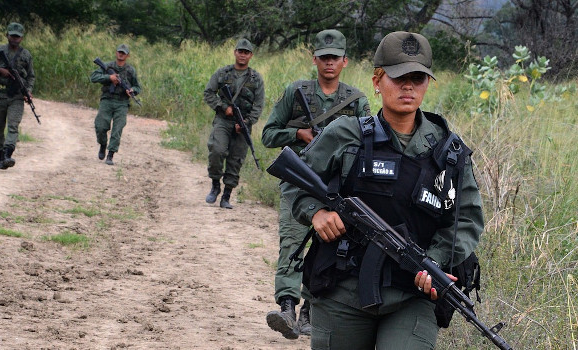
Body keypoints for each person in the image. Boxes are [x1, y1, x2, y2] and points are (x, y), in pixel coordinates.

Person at [280, 31, 484, 349]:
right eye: (398, 77)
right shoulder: (346, 135)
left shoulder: (448, 152)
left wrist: (434, 262)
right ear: (377, 81)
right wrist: (316, 211)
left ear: (427, 83)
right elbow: (294, 180)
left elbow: (467, 219)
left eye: (418, 78)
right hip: (342, 290)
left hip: (412, 296)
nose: (408, 86)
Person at [261, 29, 370, 340]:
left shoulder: (356, 101)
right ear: (315, 60)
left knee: (328, 245)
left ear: (345, 61)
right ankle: (286, 307)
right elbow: (268, 134)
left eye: (335, 58)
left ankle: (310, 310)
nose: (329, 63)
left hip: (336, 187)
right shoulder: (297, 93)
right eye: (324, 58)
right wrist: (298, 135)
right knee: (292, 242)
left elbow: (369, 142)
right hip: (298, 183)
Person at [203, 38, 265, 209]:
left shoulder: (256, 78)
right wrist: (223, 107)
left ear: (251, 55)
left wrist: (246, 122)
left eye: (246, 52)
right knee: (217, 150)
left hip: (242, 124)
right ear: (235, 52)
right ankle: (215, 184)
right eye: (240, 51)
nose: (242, 55)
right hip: (223, 120)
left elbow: (258, 105)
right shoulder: (223, 73)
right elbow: (208, 93)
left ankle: (226, 196)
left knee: (235, 160)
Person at [0, 22, 35, 170]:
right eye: (12, 36)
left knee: (13, 126)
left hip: (16, 96)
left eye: (17, 37)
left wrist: (28, 91)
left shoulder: (26, 55)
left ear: (21, 38)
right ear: (7, 35)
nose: (14, 39)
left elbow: (31, 76)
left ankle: (7, 155)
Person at [90, 43, 141, 165]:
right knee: (100, 125)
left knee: (117, 129)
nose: (121, 54)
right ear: (116, 53)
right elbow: (94, 77)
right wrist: (109, 78)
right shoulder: (108, 66)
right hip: (107, 100)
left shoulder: (130, 70)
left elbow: (137, 87)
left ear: (127, 55)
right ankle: (103, 144)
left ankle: (110, 155)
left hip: (122, 103)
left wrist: (132, 90)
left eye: (123, 53)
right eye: (119, 52)